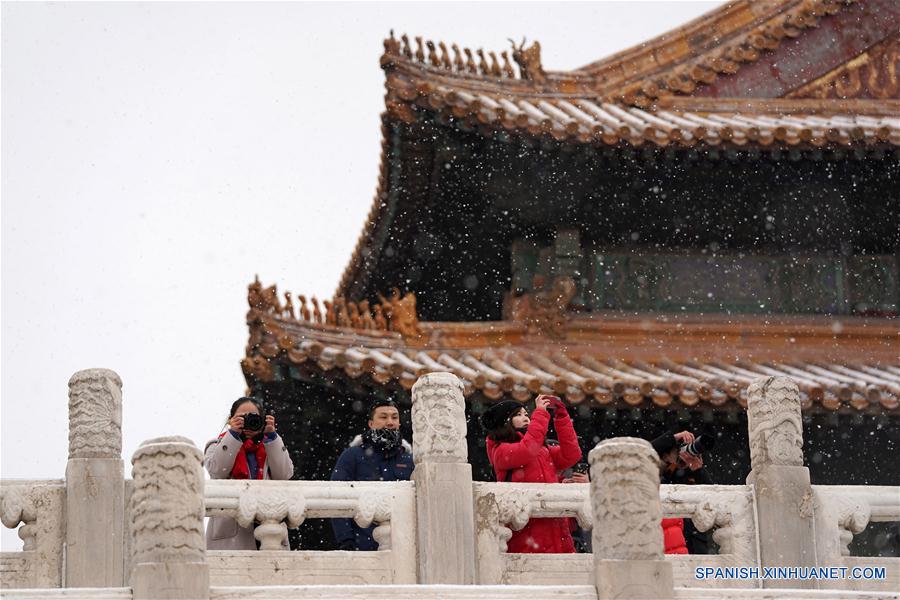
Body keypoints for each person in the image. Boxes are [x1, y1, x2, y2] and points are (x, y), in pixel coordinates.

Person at [482, 395, 582, 553]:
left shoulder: (543, 450)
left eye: (526, 414)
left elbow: (571, 454)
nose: (526, 418)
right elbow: (528, 449)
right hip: (526, 533)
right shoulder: (500, 451)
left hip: (556, 531)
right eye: (518, 414)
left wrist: (561, 416)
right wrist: (541, 414)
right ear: (504, 422)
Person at [204, 396, 294, 550]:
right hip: (231, 535)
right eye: (242, 417)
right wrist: (232, 435)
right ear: (231, 420)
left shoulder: (271, 445)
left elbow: (284, 474)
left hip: (270, 531)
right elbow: (218, 471)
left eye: (253, 417)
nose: (248, 421)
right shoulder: (216, 445)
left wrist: (272, 436)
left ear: (263, 419)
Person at [330, 399, 414, 550]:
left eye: (394, 417)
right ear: (371, 424)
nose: (390, 422)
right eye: (383, 417)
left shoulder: (409, 459)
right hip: (362, 545)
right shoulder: (352, 456)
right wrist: (346, 540)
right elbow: (336, 496)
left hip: (404, 546)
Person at [650, 429, 713, 555]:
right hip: (664, 547)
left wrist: (698, 470)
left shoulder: (693, 472)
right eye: (677, 451)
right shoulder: (657, 472)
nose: (683, 454)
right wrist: (673, 437)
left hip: (694, 548)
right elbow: (644, 453)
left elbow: (711, 497)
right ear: (665, 455)